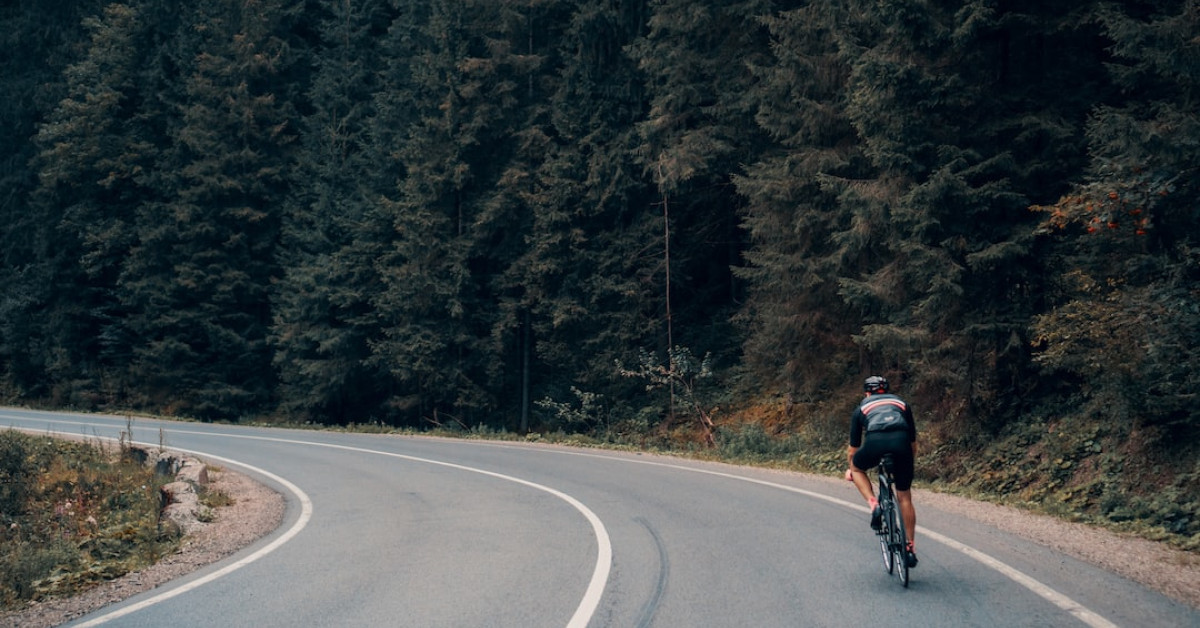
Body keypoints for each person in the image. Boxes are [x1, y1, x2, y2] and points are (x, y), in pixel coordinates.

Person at [844, 375, 919, 567]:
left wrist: (850, 469)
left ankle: (874, 504)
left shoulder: (861, 407)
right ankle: (909, 547)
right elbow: (913, 442)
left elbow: (853, 449)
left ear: (867, 392)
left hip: (875, 442)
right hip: (902, 445)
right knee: (904, 497)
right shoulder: (901, 403)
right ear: (886, 390)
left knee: (857, 466)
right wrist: (908, 461)